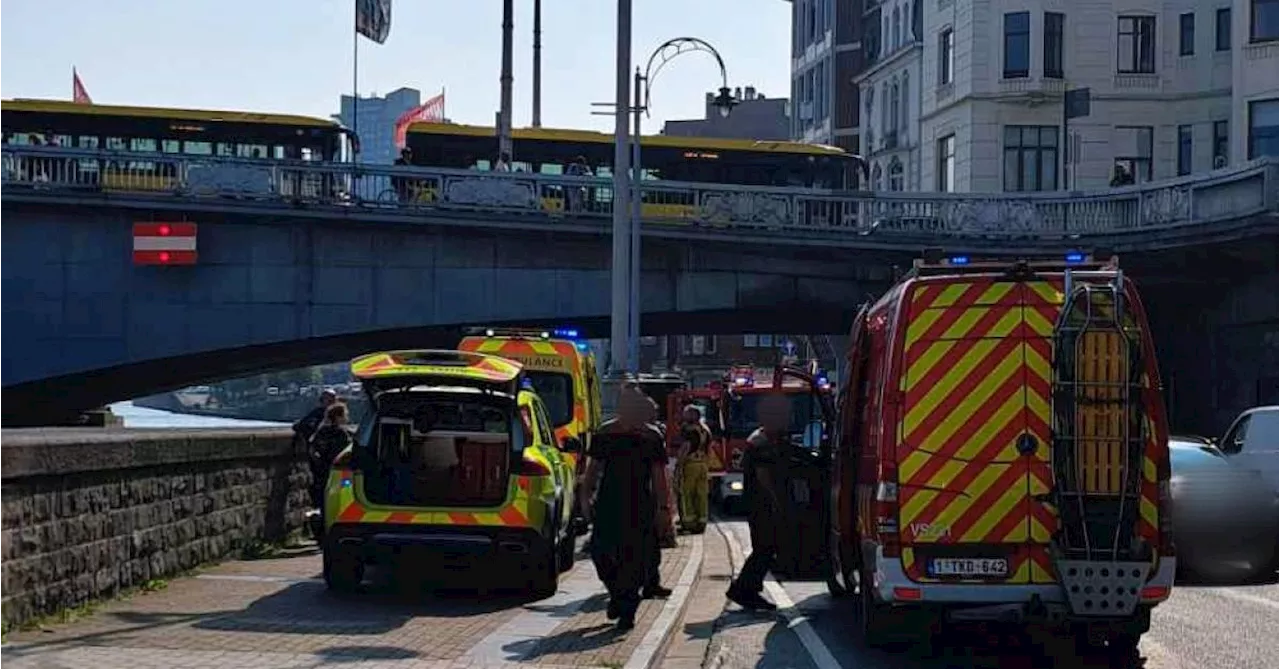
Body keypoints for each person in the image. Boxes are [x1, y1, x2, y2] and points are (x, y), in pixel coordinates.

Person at [579, 387, 671, 630]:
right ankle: (618, 595)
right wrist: (585, 497)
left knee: (634, 560)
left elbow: (659, 476)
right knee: (601, 554)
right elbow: (593, 469)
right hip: (609, 503)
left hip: (640, 504)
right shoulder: (606, 433)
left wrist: (664, 509)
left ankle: (627, 609)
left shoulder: (651, 437)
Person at [725, 391, 790, 611]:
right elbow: (763, 476)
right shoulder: (761, 442)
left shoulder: (760, 438)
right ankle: (744, 589)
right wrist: (777, 501)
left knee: (764, 547)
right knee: (764, 548)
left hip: (757, 504)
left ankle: (748, 589)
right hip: (761, 504)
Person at [675, 405, 712, 534]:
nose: (683, 416)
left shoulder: (688, 429)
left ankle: (689, 522)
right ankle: (702, 521)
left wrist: (679, 464)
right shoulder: (705, 429)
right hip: (703, 464)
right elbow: (708, 448)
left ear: (693, 415)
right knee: (701, 494)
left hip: (690, 464)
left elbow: (686, 447)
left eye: (686, 413)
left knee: (687, 493)